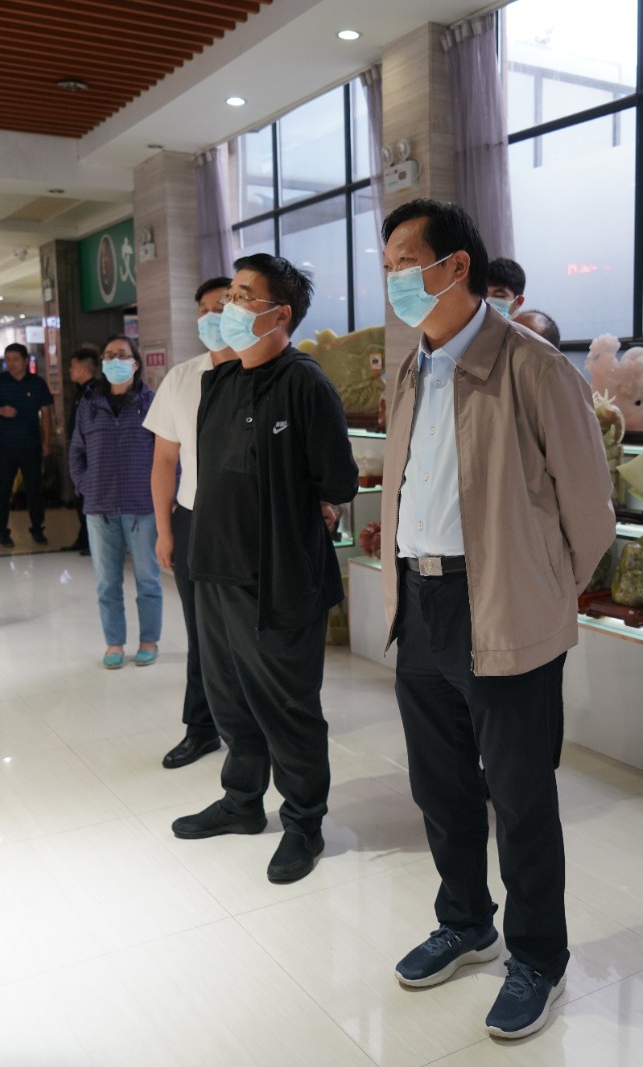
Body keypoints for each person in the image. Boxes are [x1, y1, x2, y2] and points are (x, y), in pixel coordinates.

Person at [378, 199, 614, 1039]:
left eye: (406, 262)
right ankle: (466, 922)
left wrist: (541, 590)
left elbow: (590, 512)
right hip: (420, 602)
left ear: (457, 267)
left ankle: (538, 956)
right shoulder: (411, 368)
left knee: (519, 797)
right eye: (387, 265)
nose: (395, 279)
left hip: (504, 605)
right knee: (439, 786)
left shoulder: (533, 366)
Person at [169, 253, 357, 887]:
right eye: (230, 295)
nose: (228, 307)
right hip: (214, 568)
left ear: (280, 315)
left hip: (278, 579)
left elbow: (338, 480)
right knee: (229, 701)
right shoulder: (219, 383)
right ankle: (242, 801)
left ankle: (304, 822)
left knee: (287, 708)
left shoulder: (305, 383)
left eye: (243, 296)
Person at [148, 276, 234, 769]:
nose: (210, 316)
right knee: (201, 632)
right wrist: (165, 530)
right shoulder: (182, 378)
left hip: (248, 522)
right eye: (203, 309)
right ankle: (202, 728)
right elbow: (164, 461)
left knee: (250, 632)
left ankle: (255, 725)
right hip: (194, 520)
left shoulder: (266, 373)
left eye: (221, 305)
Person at [69, 335, 162, 669]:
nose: (114, 360)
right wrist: (85, 485)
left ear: (135, 363)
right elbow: (76, 452)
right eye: (108, 355)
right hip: (100, 507)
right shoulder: (89, 404)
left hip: (142, 506)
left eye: (122, 355)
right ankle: (114, 643)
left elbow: (169, 454)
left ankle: (149, 641)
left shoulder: (151, 402)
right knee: (107, 583)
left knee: (147, 579)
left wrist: (166, 496)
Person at [0, 341, 52, 547]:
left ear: (25, 361)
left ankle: (37, 528)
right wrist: (1, 411)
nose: (11, 364)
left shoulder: (37, 383)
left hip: (31, 444)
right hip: (5, 445)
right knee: (3, 490)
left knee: (35, 489)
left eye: (15, 359)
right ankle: (2, 531)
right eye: (8, 360)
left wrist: (47, 441)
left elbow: (46, 413)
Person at [60, 346, 100, 555]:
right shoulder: (80, 391)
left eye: (73, 367)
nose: (70, 370)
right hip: (79, 452)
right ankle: (83, 538)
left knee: (87, 496)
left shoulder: (94, 392)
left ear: (84, 369)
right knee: (79, 496)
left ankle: (91, 541)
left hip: (89, 452)